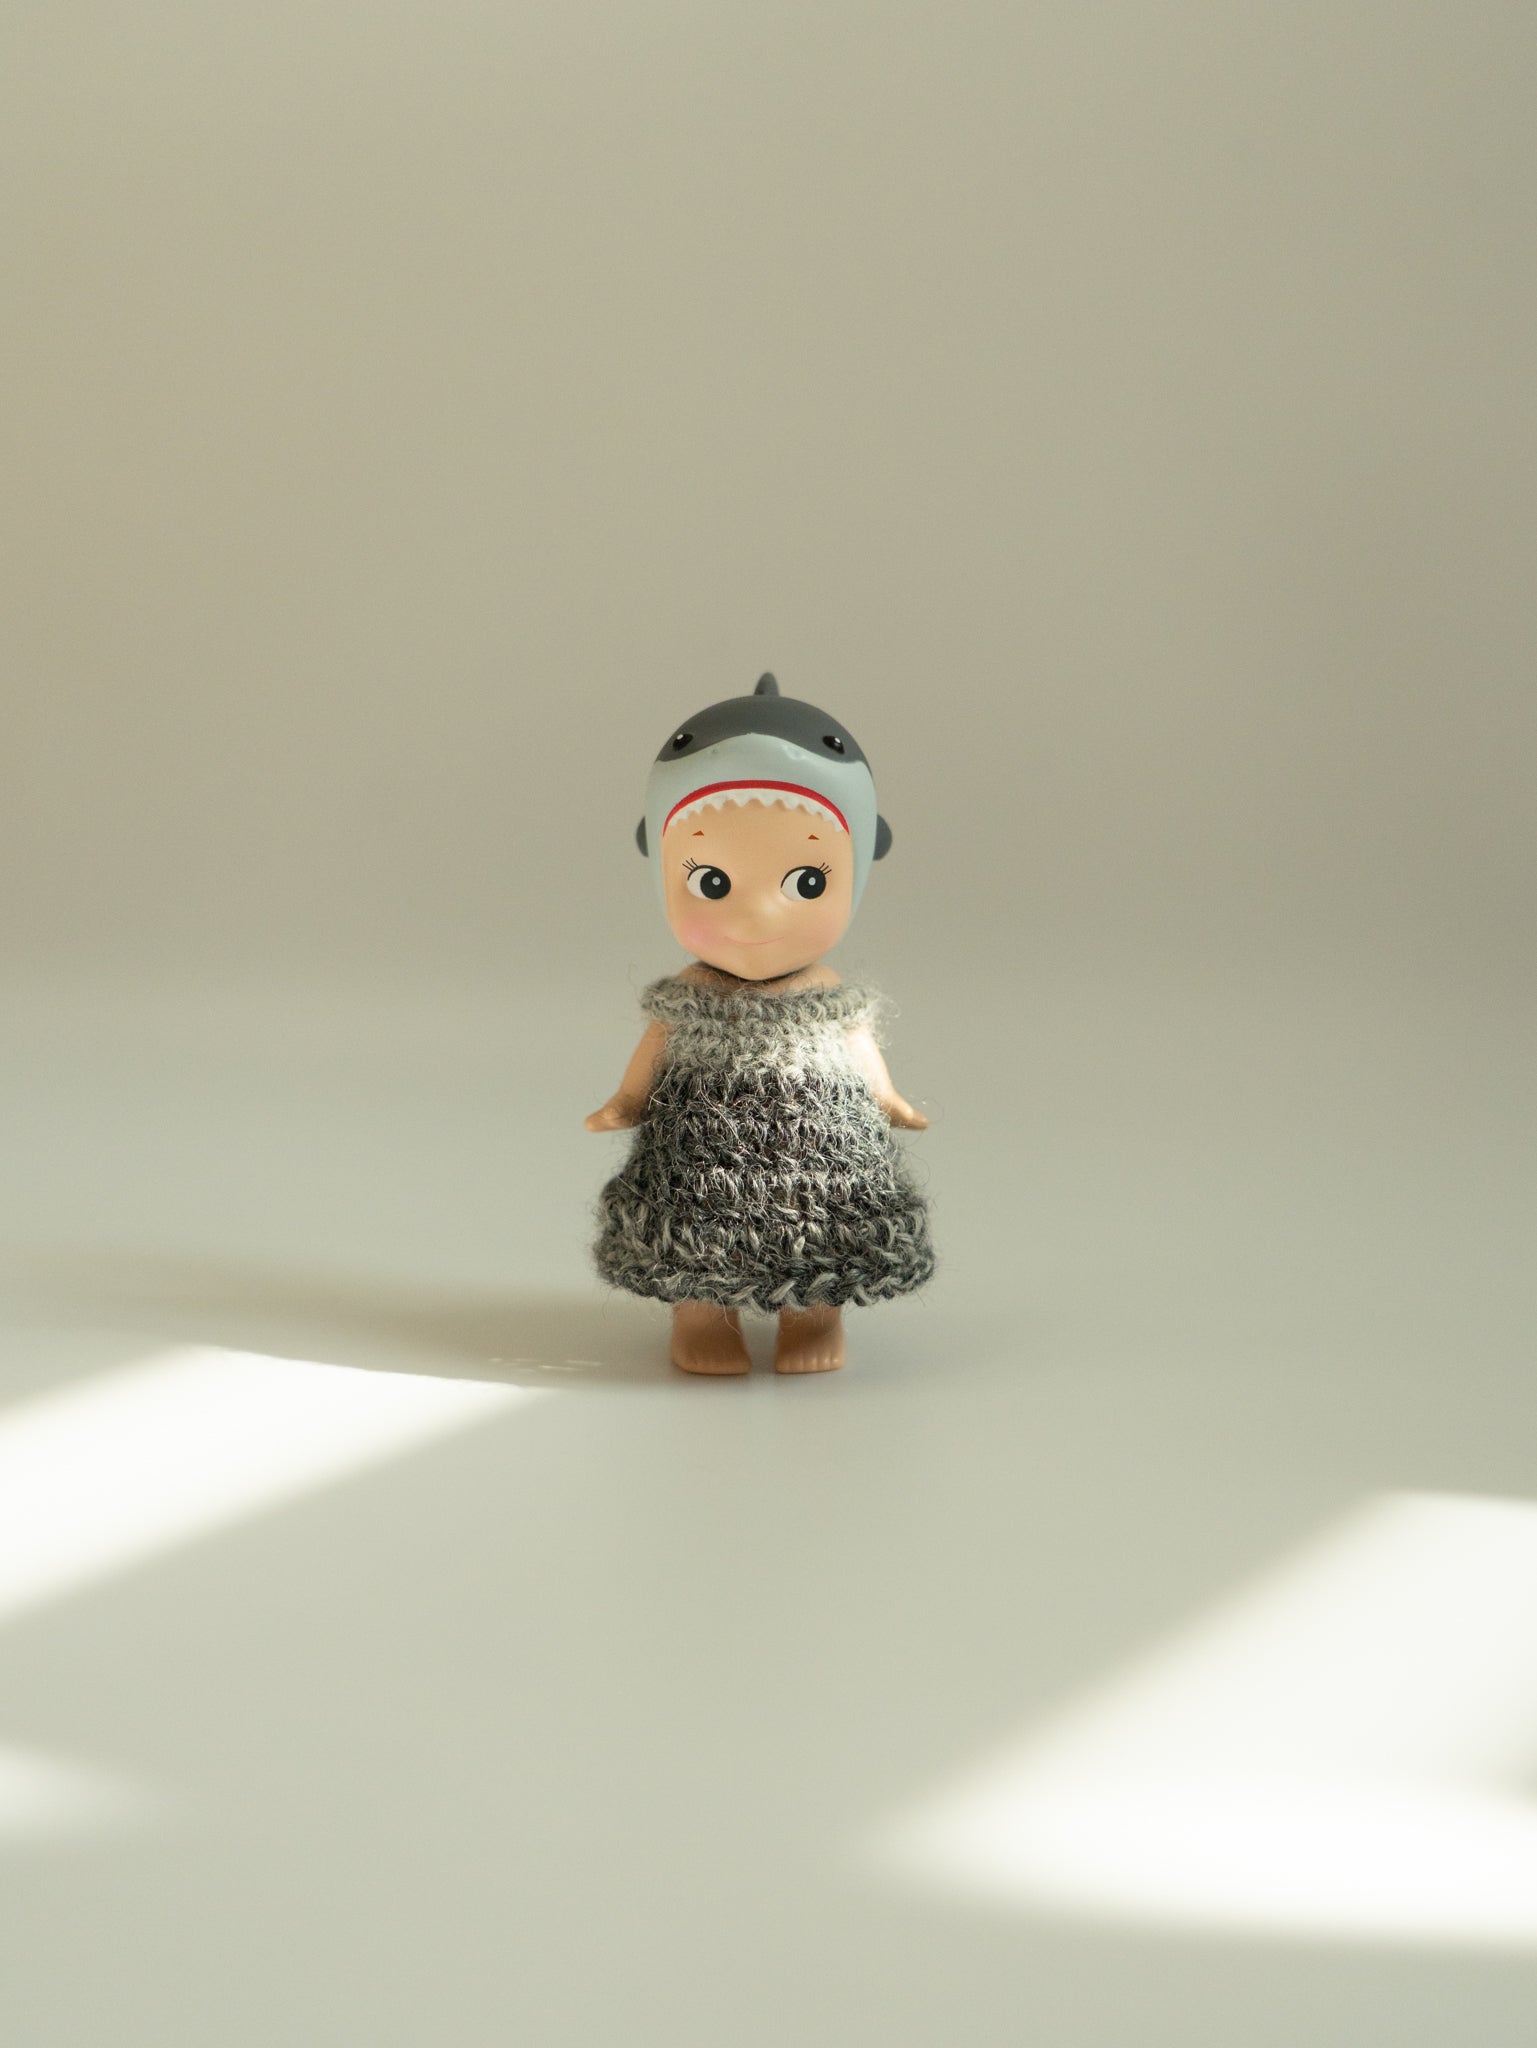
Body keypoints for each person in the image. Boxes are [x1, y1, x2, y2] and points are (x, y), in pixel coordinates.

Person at [587, 673, 934, 1374]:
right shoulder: (689, 995)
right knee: (695, 1239)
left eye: (808, 883)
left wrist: (887, 1097)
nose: (756, 915)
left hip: (825, 1160)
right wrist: (626, 1100)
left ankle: (812, 1320)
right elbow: (656, 1048)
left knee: (825, 1236)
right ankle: (702, 1321)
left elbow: (858, 1045)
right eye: (710, 883)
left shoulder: (824, 992)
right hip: (698, 1157)